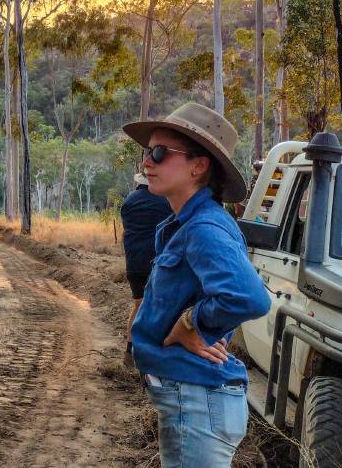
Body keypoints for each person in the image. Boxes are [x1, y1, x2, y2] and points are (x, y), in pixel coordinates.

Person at [123, 102, 272, 467]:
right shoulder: (183, 225)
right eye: (147, 152)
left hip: (199, 400)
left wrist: (193, 324)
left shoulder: (204, 228)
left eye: (160, 153)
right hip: (190, 396)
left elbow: (250, 298)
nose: (147, 163)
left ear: (198, 165)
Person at [120, 168, 172, 365]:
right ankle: (152, 355)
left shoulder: (129, 201)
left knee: (138, 305)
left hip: (134, 262)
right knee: (159, 307)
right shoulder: (166, 201)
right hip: (158, 262)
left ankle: (129, 352)